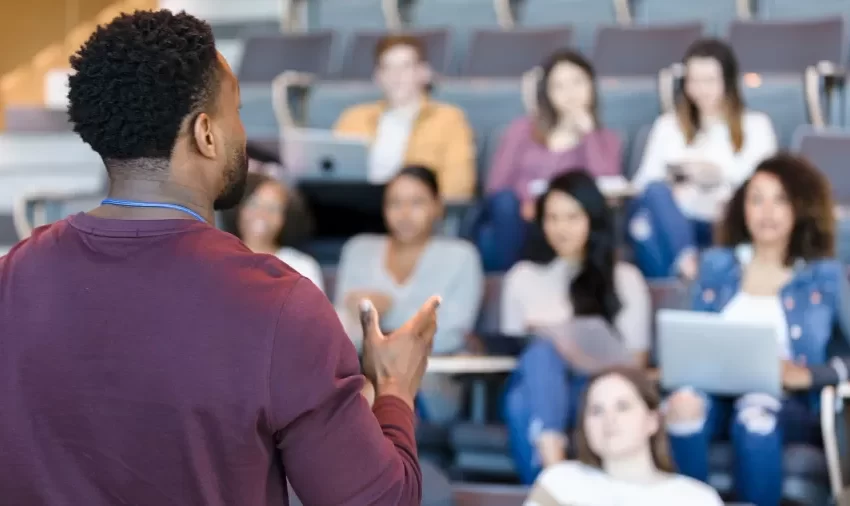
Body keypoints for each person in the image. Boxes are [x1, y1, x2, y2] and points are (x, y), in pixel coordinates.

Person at [0, 10, 441, 505]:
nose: (244, 134)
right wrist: (395, 389)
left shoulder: (13, 274)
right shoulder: (278, 303)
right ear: (206, 133)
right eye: (237, 111)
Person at [663, 154, 850, 506]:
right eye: (756, 198)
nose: (767, 210)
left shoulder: (823, 276)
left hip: (785, 403)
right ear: (742, 208)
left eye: (780, 199)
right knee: (683, 406)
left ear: (801, 207)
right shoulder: (715, 266)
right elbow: (685, 335)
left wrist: (808, 376)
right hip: (712, 394)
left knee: (755, 415)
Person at [500, 170, 652, 483]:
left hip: (596, 389)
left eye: (572, 217)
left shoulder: (624, 278)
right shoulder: (522, 277)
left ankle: (551, 487)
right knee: (538, 357)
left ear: (592, 220)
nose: (560, 228)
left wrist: (574, 348)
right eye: (552, 218)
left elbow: (636, 364)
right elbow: (511, 351)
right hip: (539, 382)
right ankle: (554, 464)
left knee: (521, 404)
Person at [334, 165, 484, 422]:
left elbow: (451, 331)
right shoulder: (359, 249)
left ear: (438, 206)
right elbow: (340, 324)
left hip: (430, 378)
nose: (404, 213)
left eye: (417, 202)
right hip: (361, 373)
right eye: (395, 203)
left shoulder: (461, 256)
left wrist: (386, 310)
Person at [629, 38, 777, 280]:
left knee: (645, 233)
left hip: (724, 220)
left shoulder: (756, 126)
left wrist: (717, 175)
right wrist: (674, 185)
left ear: (727, 82)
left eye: (709, 81)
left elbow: (764, 184)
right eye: (694, 81)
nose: (701, 89)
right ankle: (688, 264)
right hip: (677, 218)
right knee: (651, 203)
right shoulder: (667, 126)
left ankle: (679, 286)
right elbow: (642, 185)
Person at [476, 50, 622, 272]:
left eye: (577, 83)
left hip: (571, 226)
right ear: (547, 93)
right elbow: (496, 186)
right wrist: (528, 205)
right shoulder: (521, 130)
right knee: (505, 203)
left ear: (592, 87)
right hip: (522, 223)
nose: (570, 93)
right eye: (559, 86)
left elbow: (606, 191)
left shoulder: (606, 139)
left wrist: (589, 135)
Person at [525, 366, 723, 506]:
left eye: (623, 407)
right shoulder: (562, 482)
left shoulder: (696, 499)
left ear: (652, 421)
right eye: (596, 411)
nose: (609, 419)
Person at [334, 35, 476, 200]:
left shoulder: (449, 119)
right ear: (378, 76)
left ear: (424, 73)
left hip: (419, 214)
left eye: (405, 67)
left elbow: (458, 186)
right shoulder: (353, 118)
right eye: (388, 68)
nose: (396, 76)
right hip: (356, 208)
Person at [221, 172, 324, 291]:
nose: (262, 213)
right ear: (239, 209)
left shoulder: (302, 266)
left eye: (273, 208)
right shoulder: (218, 262)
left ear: (285, 218)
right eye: (254, 204)